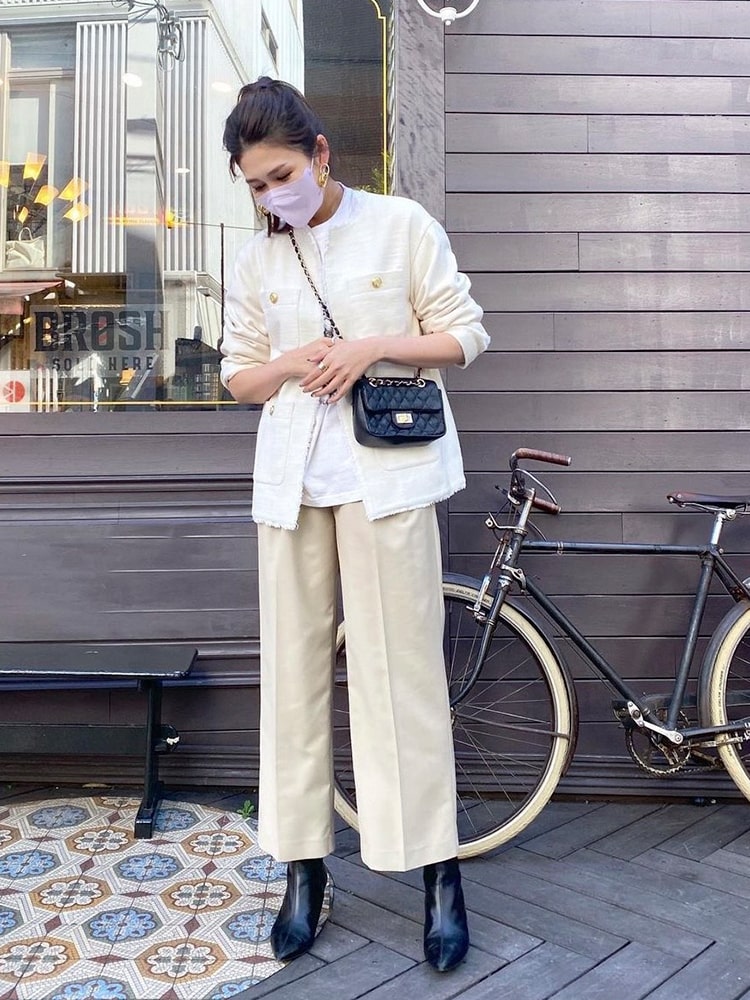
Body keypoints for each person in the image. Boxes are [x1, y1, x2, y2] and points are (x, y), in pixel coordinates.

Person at [220, 77, 490, 973]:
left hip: (390, 480)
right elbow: (239, 377)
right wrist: (293, 362)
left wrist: (372, 346)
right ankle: (303, 868)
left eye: (282, 176)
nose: (272, 196)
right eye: (256, 185)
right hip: (292, 485)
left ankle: (438, 872)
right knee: (292, 681)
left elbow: (464, 336)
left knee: (401, 676)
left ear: (321, 155)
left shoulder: (400, 225)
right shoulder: (257, 258)